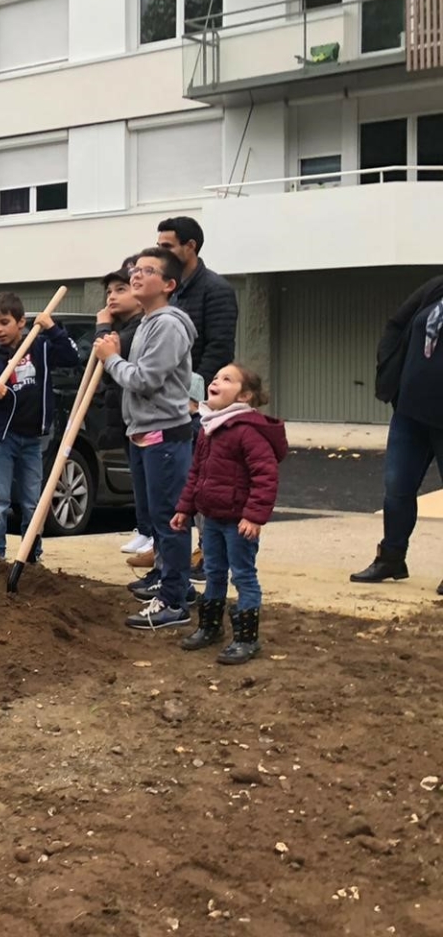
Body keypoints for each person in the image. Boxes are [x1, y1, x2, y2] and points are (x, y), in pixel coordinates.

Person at [94, 248, 199, 630]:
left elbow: (145, 379)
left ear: (168, 284)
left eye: (148, 271)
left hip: (164, 435)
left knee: (169, 518)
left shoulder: (168, 325)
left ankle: (173, 600)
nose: (136, 276)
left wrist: (111, 359)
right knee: (156, 518)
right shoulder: (149, 322)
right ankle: (173, 583)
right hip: (143, 432)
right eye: (135, 270)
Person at [173, 364, 285, 664]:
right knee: (213, 572)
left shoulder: (248, 431)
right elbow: (196, 473)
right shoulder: (209, 428)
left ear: (245, 395)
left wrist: (254, 516)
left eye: (227, 379)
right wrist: (185, 508)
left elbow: (265, 476)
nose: (216, 382)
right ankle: (210, 627)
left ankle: (247, 638)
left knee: (244, 576)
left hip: (239, 523)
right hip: (212, 519)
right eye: (215, 378)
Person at [350, 274, 443, 592]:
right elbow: (396, 324)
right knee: (397, 487)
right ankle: (391, 557)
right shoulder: (436, 287)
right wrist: (391, 376)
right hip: (410, 412)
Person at [0, 292, 79, 560]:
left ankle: (30, 554)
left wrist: (52, 328)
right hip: (2, 439)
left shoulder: (40, 347)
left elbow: (70, 357)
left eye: (4, 322)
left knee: (33, 501)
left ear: (21, 322)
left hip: (33, 438)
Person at [96, 261, 155, 566]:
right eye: (109, 291)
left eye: (120, 289)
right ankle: (145, 529)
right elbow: (102, 369)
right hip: (122, 414)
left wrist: (103, 327)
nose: (112, 297)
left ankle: (153, 533)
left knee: (149, 479)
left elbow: (112, 359)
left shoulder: (136, 330)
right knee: (137, 477)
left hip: (144, 416)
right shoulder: (123, 329)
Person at [157, 217, 238, 389]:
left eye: (168, 247)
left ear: (190, 246)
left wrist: (194, 393)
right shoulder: (166, 288)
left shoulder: (216, 289)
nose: (161, 254)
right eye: (159, 247)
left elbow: (219, 350)